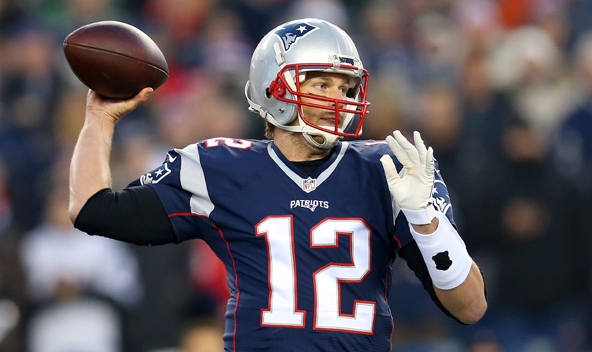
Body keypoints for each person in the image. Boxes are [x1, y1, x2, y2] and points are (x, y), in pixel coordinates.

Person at [68, 18, 487, 351]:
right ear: (275, 86)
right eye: (321, 84)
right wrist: (100, 119)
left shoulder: (390, 169)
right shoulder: (219, 165)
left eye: (346, 88)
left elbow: (470, 307)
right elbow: (93, 209)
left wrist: (426, 221)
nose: (336, 100)